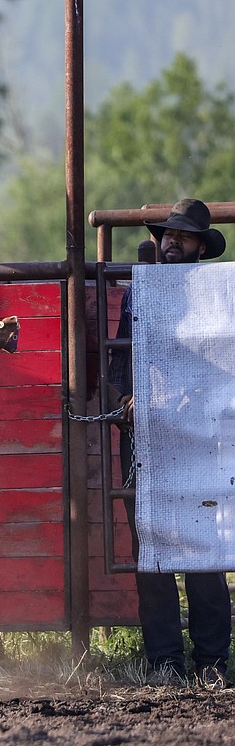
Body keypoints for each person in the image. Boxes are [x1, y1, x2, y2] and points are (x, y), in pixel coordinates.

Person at [108, 197, 232, 685]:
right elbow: (119, 361)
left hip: (205, 435)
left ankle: (212, 663)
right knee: (151, 548)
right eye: (168, 235)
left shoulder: (219, 296)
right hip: (147, 436)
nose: (172, 242)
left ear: (201, 246)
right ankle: (165, 661)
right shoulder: (139, 295)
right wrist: (126, 402)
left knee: (205, 549)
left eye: (182, 236)